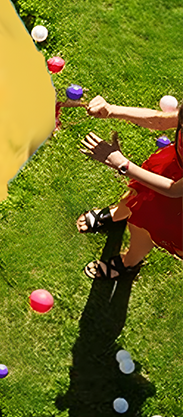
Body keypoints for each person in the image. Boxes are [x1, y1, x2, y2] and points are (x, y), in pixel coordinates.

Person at [76, 96, 182, 280]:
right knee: (137, 194)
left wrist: (123, 165)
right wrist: (111, 109)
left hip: (177, 203)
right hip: (173, 168)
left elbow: (175, 190)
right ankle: (118, 213)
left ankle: (129, 263)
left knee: (146, 227)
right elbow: (161, 120)